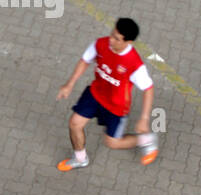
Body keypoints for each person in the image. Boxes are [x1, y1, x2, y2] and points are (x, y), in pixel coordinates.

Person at [55, 17, 159, 171]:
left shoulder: (134, 64)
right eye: (112, 34)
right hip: (95, 94)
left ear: (128, 42)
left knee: (112, 143)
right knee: (74, 124)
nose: (111, 39)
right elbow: (85, 60)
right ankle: (80, 158)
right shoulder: (100, 44)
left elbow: (148, 88)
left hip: (116, 107)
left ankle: (145, 140)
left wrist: (144, 118)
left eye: (117, 39)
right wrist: (69, 84)